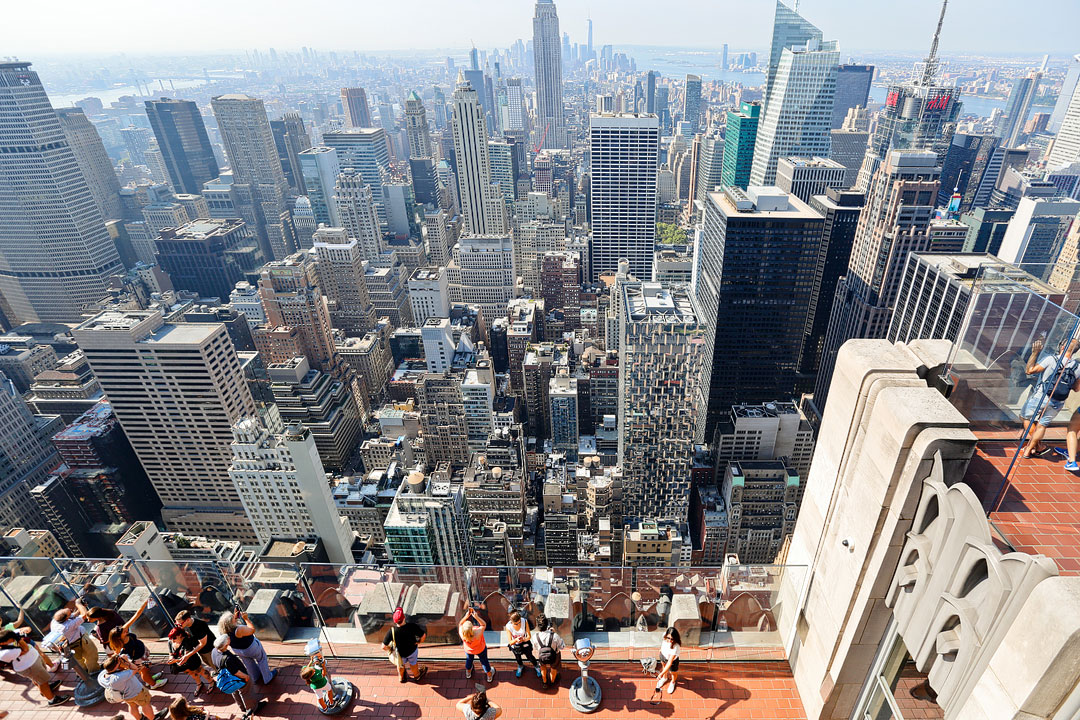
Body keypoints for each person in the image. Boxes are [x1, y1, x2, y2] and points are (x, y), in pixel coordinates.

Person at [1021, 337, 1080, 459]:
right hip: (1058, 402)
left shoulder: (1051, 359)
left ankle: (1036, 446)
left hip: (1041, 396)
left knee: (1026, 417)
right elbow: (1076, 388)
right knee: (1042, 425)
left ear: (1062, 347)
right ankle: (1030, 449)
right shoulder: (1078, 366)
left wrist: (1035, 353)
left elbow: (1029, 370)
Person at [0, 629, 70, 706]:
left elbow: (27, 629)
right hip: (29, 666)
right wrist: (19, 638)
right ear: (3, 643)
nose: (14, 639)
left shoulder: (9, 636)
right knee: (42, 682)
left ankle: (47, 688)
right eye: (12, 639)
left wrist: (22, 631)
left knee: (39, 680)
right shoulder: (5, 652)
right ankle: (52, 699)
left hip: (34, 659)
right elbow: (26, 648)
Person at [211, 634, 268, 715]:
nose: (229, 639)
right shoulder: (228, 658)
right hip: (238, 678)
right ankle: (253, 708)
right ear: (226, 645)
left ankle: (242, 707)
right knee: (246, 692)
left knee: (235, 692)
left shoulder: (214, 651)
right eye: (228, 639)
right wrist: (246, 677)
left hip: (230, 679)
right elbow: (236, 672)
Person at [218, 610, 276, 685]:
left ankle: (256, 677)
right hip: (250, 648)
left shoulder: (223, 631)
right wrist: (246, 619)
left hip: (238, 650)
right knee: (262, 659)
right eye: (233, 618)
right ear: (231, 622)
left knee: (248, 663)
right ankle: (267, 678)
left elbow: (230, 625)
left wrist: (235, 617)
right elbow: (252, 630)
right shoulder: (239, 630)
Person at [107, 618, 167, 689]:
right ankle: (153, 684)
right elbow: (116, 654)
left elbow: (135, 616)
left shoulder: (123, 636)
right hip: (138, 659)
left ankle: (149, 680)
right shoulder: (120, 645)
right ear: (119, 637)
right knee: (144, 672)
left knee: (145, 670)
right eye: (124, 632)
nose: (126, 631)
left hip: (141, 653)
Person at [99, 653, 158, 720]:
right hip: (137, 692)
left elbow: (116, 670)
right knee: (145, 704)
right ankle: (152, 718)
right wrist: (126, 661)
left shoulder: (101, 676)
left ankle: (139, 718)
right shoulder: (119, 677)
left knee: (132, 706)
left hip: (125, 696)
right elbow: (135, 669)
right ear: (116, 666)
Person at [381, 607, 428, 684]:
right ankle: (417, 675)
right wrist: (419, 642)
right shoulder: (412, 626)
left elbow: (383, 646)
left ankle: (401, 677)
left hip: (400, 654)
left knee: (400, 665)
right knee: (413, 663)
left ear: (394, 621)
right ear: (404, 618)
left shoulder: (392, 631)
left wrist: (390, 649)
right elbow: (423, 636)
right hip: (412, 651)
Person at [4, 608, 59, 672]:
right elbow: (19, 620)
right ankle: (52, 666)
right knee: (40, 653)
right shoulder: (7, 627)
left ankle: (40, 671)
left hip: (18, 649)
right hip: (25, 641)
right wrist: (21, 609)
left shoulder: (6, 629)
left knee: (30, 660)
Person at [51, 606, 101, 673]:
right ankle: (94, 671)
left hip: (69, 645)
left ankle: (84, 672)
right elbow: (84, 614)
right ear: (66, 619)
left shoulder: (55, 621)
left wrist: (80, 608)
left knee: (78, 660)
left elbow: (73, 615)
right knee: (91, 655)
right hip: (81, 641)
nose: (71, 610)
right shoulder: (68, 626)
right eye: (70, 612)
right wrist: (79, 604)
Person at [166, 627, 214, 695]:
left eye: (174, 638)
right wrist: (171, 658)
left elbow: (186, 656)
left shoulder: (187, 641)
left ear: (180, 635)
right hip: (181, 663)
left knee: (201, 671)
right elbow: (171, 653)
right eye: (171, 638)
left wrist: (175, 661)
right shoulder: (170, 642)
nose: (172, 641)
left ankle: (211, 682)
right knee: (191, 673)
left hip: (192, 661)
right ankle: (199, 684)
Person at [458, 605, 494, 682]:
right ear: (472, 628)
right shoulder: (477, 633)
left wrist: (465, 616)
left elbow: (460, 624)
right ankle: (489, 675)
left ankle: (468, 672)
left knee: (469, 660)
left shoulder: (462, 634)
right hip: (480, 649)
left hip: (469, 650)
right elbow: (483, 624)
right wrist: (476, 617)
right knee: (484, 661)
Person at [648, 627, 682, 704]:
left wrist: (661, 673)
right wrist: (661, 650)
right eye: (668, 638)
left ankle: (673, 682)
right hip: (663, 655)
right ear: (666, 635)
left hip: (672, 661)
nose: (670, 640)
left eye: (672, 639)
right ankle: (665, 678)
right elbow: (663, 643)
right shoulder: (664, 636)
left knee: (673, 673)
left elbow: (670, 662)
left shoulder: (675, 647)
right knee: (664, 666)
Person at [504, 610, 540, 679]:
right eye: (515, 624)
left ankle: (536, 666)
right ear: (511, 622)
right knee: (518, 658)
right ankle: (520, 666)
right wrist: (516, 640)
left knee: (530, 656)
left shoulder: (524, 621)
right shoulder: (508, 626)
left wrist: (523, 639)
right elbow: (510, 642)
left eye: (519, 622)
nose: (518, 624)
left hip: (525, 642)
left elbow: (529, 636)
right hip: (515, 644)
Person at [533, 614, 565, 686]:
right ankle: (552, 680)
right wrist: (554, 632)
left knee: (543, 667)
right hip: (554, 655)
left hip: (542, 655)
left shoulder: (535, 636)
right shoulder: (554, 635)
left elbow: (535, 648)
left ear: (537, 626)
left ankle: (544, 682)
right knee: (553, 668)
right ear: (547, 624)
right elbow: (562, 647)